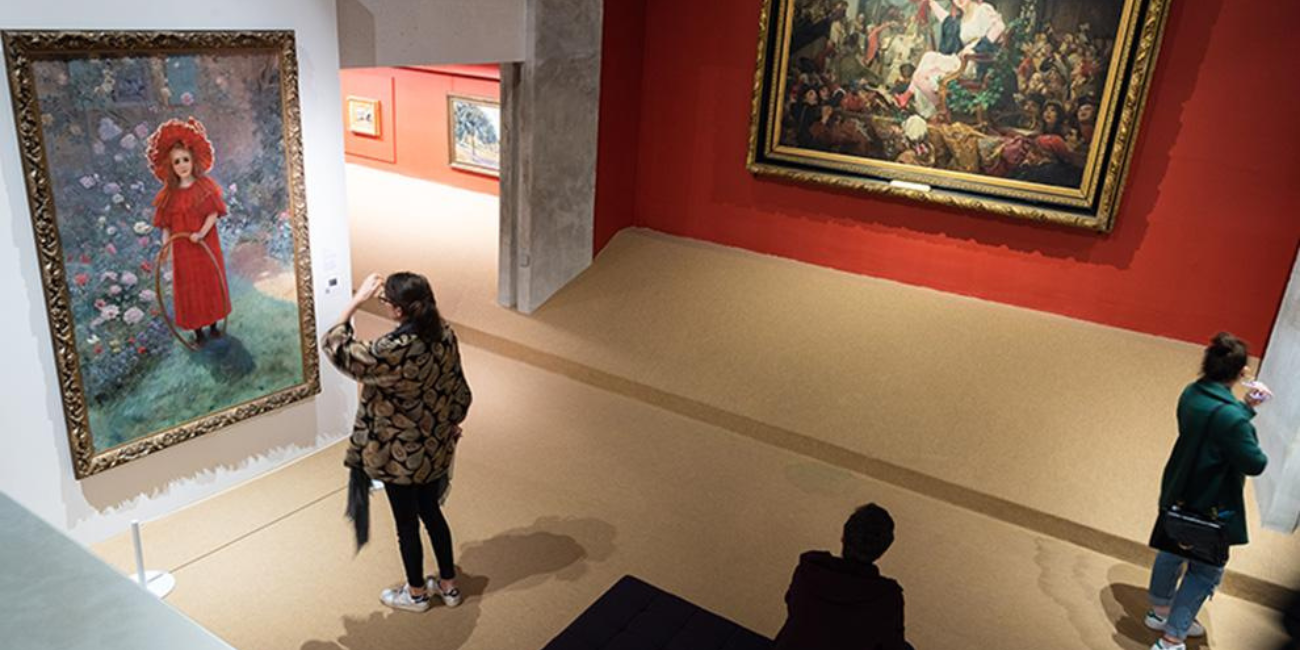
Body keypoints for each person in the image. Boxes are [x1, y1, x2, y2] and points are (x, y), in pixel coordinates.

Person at [322, 271, 473, 613]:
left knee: (407, 524)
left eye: (385, 301)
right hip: (434, 443)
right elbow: (457, 387)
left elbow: (339, 348)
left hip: (399, 454)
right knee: (432, 512)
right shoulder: (445, 334)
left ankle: (416, 593)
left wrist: (356, 302)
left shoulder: (394, 350)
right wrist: (451, 422)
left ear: (399, 310)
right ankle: (449, 586)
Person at [1146, 332, 1270, 650]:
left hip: (1179, 488)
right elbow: (1255, 463)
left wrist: (1243, 408)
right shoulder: (1232, 418)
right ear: (1242, 372)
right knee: (1205, 570)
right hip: (1211, 503)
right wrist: (1245, 412)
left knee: (1171, 549)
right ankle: (1172, 638)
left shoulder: (1191, 393)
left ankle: (1159, 610)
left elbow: (1211, 432)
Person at [773, 503, 912, 650]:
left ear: (843, 536)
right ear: (883, 550)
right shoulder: (887, 598)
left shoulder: (809, 569)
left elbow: (792, 604)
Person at [146, 118, 231, 346]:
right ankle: (199, 331)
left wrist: (201, 233)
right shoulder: (169, 194)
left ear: (193, 160)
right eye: (177, 162)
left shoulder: (204, 187)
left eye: (185, 159)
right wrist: (166, 245)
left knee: (209, 283)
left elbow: (213, 213)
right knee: (190, 288)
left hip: (204, 246)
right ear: (170, 166)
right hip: (183, 250)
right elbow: (165, 224)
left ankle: (214, 326)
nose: (182, 165)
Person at [896, 0, 1006, 117]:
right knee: (926, 62)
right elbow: (948, 22)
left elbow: (1000, 27)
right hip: (963, 60)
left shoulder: (983, 9)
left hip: (974, 63)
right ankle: (910, 97)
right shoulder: (963, 19)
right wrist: (931, 3)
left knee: (922, 76)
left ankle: (940, 111)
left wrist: (977, 49)